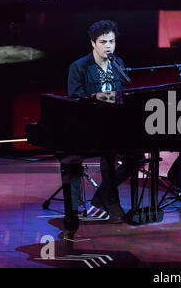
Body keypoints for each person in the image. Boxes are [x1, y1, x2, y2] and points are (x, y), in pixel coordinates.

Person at [63, 20, 139, 234]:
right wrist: (97, 98)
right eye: (103, 42)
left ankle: (102, 195)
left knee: (137, 156)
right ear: (93, 43)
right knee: (107, 153)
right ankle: (112, 204)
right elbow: (74, 99)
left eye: (112, 41)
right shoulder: (79, 67)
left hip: (114, 124)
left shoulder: (118, 63)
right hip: (87, 126)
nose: (108, 46)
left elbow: (123, 94)